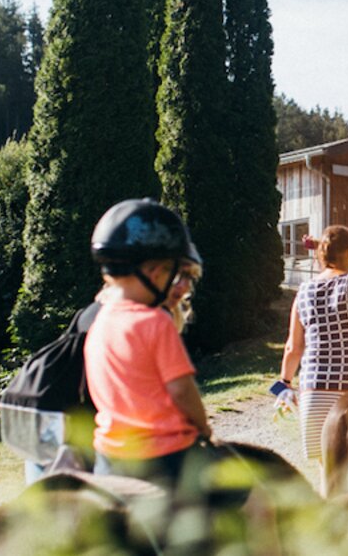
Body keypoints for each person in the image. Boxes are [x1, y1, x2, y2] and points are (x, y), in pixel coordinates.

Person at [84, 198, 213, 489]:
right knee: (250, 500)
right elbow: (181, 390)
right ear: (155, 272)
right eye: (171, 272)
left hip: (109, 458)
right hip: (164, 459)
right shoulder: (155, 322)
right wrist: (203, 426)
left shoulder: (100, 322)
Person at [278, 225, 348, 460]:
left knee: (326, 474)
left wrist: (283, 385)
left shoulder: (303, 291)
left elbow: (293, 348)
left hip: (312, 391)